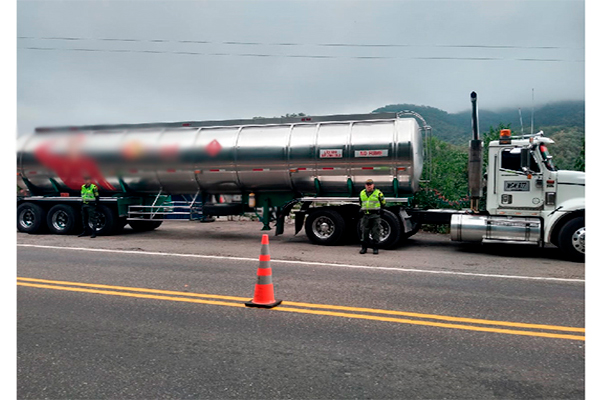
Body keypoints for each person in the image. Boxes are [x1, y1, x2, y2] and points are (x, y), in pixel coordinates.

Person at [359, 179, 386, 254]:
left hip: (375, 215)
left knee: (375, 232)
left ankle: (375, 248)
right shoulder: (362, 193)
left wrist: (380, 210)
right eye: (367, 185)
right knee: (364, 232)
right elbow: (361, 202)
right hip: (365, 215)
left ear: (373, 185)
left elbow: (383, 202)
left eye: (370, 185)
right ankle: (364, 248)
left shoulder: (378, 193)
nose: (369, 186)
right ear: (365, 185)